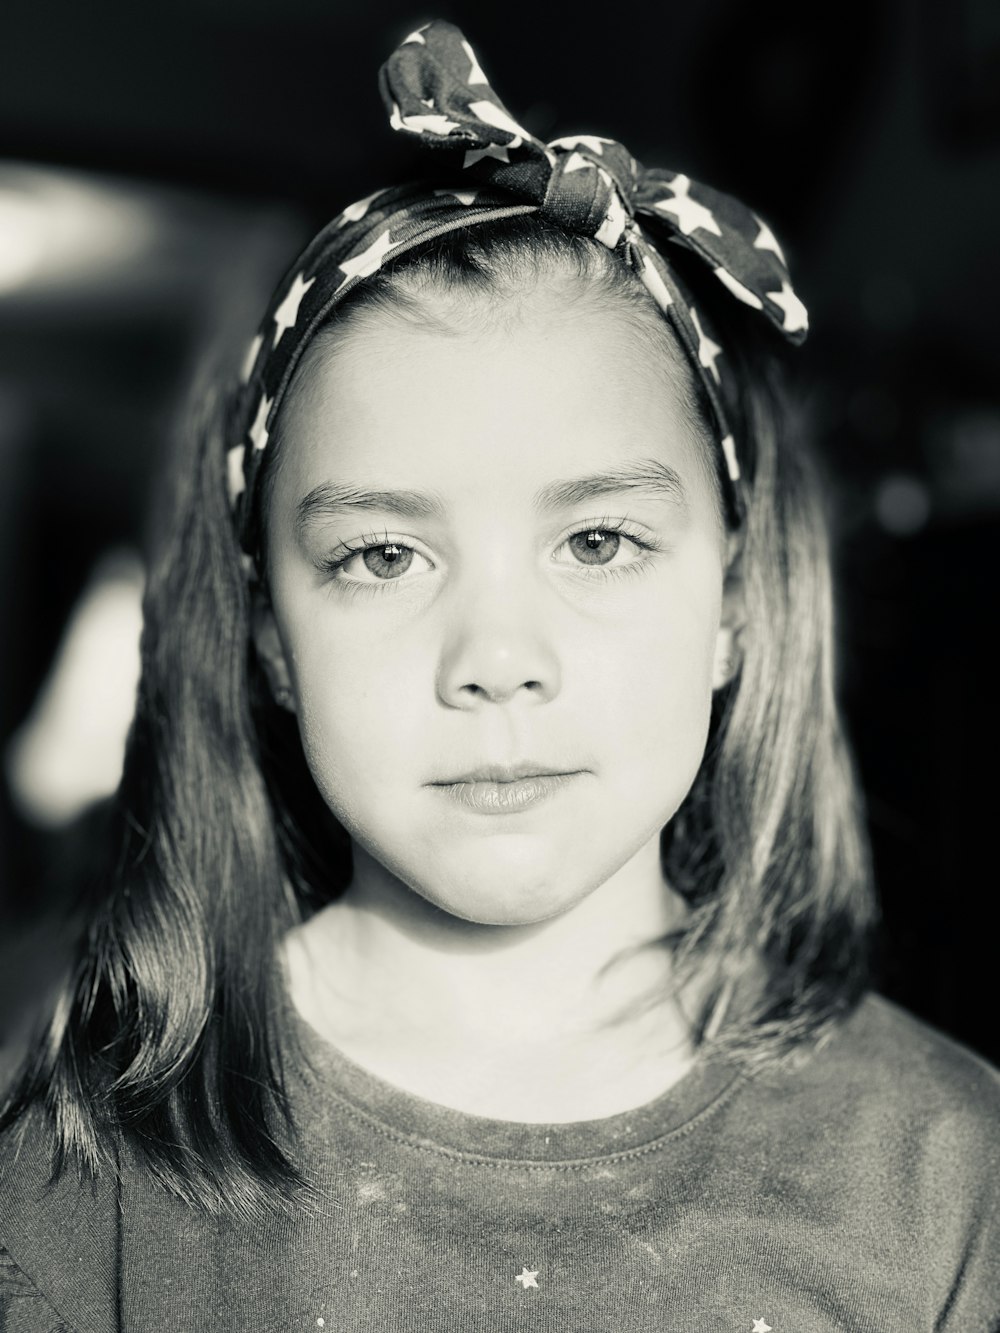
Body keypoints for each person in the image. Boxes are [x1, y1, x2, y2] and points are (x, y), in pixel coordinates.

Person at [1, 20, 997, 1332]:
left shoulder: (950, 1177)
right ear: (269, 638)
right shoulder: (94, 1172)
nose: (498, 661)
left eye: (597, 540)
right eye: (380, 554)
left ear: (737, 606)